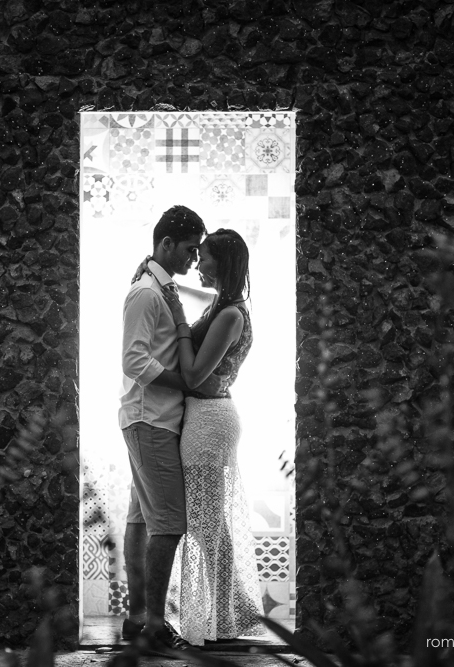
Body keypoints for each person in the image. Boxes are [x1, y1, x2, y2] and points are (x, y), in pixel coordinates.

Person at [118, 205, 225, 654]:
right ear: (166, 244)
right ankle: (157, 626)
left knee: (142, 520)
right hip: (151, 420)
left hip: (150, 420)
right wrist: (185, 381)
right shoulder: (146, 293)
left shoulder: (160, 286)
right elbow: (134, 360)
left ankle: (137, 618)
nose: (192, 258)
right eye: (188, 249)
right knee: (169, 526)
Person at [160, 229, 266, 646]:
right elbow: (198, 294)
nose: (198, 264)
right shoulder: (225, 305)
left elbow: (193, 375)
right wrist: (168, 287)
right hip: (208, 416)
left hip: (209, 422)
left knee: (208, 527)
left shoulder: (230, 315)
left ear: (221, 262)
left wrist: (179, 317)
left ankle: (224, 621)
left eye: (202, 257)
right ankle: (228, 615)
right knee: (209, 525)